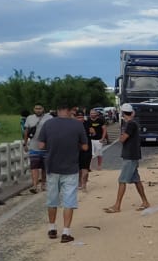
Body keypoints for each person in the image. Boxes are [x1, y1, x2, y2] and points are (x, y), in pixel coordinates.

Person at [33, 105, 88, 242]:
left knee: (52, 200)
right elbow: (85, 147)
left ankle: (52, 228)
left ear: (57, 110)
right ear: (70, 111)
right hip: (71, 167)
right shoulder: (77, 125)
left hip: (52, 167)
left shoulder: (48, 124)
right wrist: (74, 145)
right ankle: (66, 232)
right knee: (69, 201)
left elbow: (40, 146)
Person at [104, 104, 149, 213]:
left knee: (122, 180)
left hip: (130, 156)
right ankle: (145, 202)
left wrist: (122, 135)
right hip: (132, 155)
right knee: (136, 180)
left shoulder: (130, 124)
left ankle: (117, 205)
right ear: (131, 112)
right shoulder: (132, 123)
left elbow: (123, 139)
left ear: (123, 113)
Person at [23, 104, 52, 193]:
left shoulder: (49, 118)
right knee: (34, 167)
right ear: (34, 109)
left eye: (40, 108)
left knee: (44, 168)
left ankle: (43, 183)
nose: (38, 110)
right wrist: (25, 143)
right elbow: (26, 131)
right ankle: (35, 185)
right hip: (33, 146)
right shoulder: (29, 118)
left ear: (43, 109)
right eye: (36, 108)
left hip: (46, 147)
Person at [85, 107, 109, 173]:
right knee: (90, 154)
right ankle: (89, 166)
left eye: (94, 113)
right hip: (90, 139)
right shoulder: (88, 121)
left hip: (98, 139)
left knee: (99, 153)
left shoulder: (101, 120)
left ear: (96, 114)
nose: (92, 114)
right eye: (91, 113)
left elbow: (104, 129)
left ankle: (99, 165)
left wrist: (103, 138)